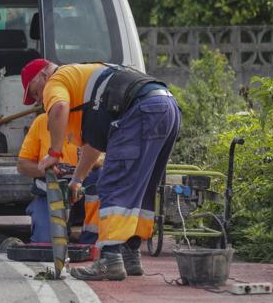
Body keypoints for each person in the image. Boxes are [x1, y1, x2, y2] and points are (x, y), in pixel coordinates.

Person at [20, 58, 181, 281]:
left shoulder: (55, 81)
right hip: (167, 107)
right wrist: (77, 180)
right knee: (142, 188)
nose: (39, 101)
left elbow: (58, 107)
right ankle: (130, 255)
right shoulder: (82, 84)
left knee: (113, 184)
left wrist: (54, 153)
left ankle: (110, 260)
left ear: (42, 76)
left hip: (141, 110)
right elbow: (93, 146)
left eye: (35, 93)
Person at [17, 113, 100, 244]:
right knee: (46, 244)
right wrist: (45, 170)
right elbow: (22, 165)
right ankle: (42, 214)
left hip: (83, 193)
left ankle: (91, 240)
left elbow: (107, 161)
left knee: (101, 175)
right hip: (51, 194)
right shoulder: (41, 122)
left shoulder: (91, 120)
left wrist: (82, 169)